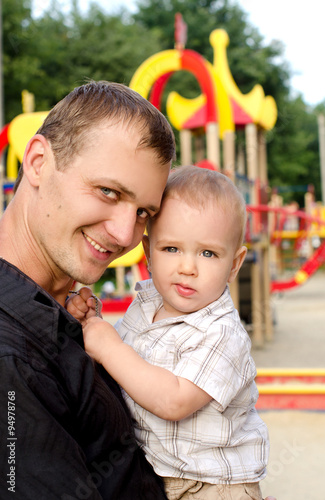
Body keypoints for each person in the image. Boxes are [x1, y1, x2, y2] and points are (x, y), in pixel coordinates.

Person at [0, 80, 176, 499]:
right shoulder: (13, 358)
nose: (123, 234)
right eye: (108, 191)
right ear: (39, 162)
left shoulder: (60, 312)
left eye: (143, 213)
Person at [69, 166, 272, 500]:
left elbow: (174, 400)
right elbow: (125, 358)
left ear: (234, 265)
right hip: (158, 477)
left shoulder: (222, 333)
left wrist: (105, 346)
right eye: (171, 249)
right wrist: (92, 322)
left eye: (208, 253)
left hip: (215, 486)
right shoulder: (145, 304)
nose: (187, 267)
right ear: (148, 253)